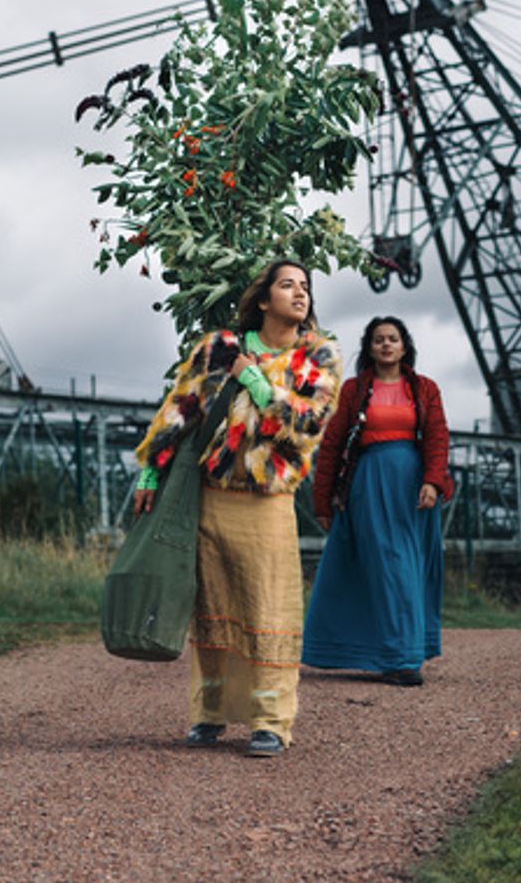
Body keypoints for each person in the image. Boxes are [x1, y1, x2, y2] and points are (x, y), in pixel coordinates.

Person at [131, 258, 342, 756]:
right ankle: (209, 716)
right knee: (212, 609)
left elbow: (312, 424)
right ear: (263, 300)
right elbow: (179, 409)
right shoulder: (220, 349)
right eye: (287, 285)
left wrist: (259, 387)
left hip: (267, 501)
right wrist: (149, 471)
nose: (300, 293)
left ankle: (270, 721)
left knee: (268, 608)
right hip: (210, 496)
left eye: (305, 286)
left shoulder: (321, 357)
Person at [303, 315, 452, 685]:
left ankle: (406, 650)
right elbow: (333, 446)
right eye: (379, 340)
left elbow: (437, 437)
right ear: (369, 348)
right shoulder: (353, 390)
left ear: (405, 347)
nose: (386, 345)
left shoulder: (425, 389)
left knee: (411, 567)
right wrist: (322, 502)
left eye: (393, 339)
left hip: (414, 491)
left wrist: (433, 481)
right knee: (389, 564)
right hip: (370, 487)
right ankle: (400, 659)